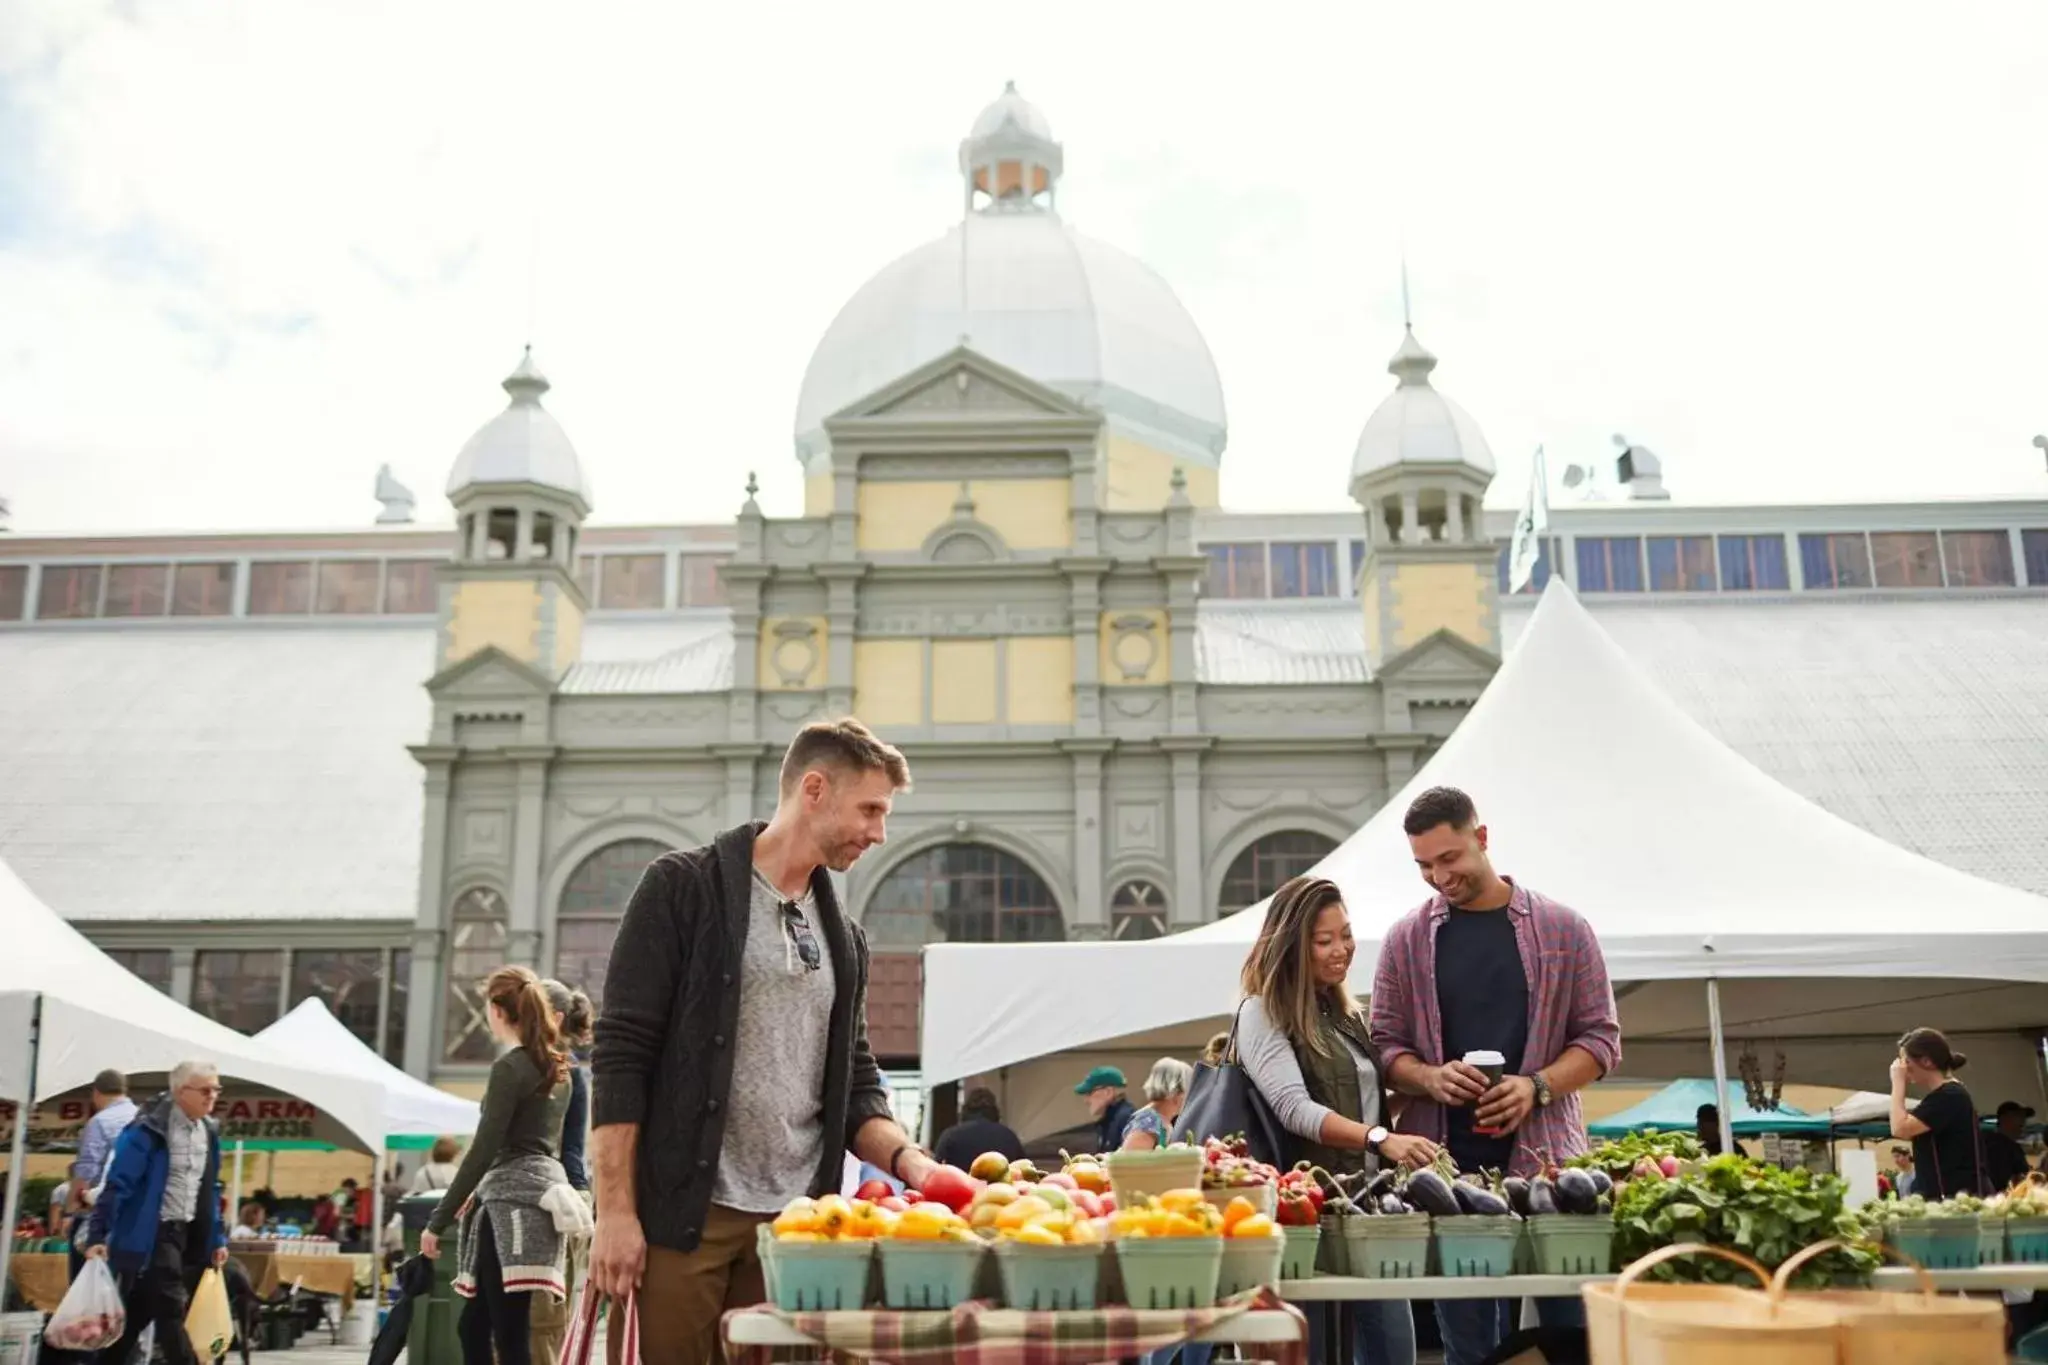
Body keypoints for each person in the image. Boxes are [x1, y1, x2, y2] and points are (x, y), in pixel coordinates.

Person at [589, 717, 936, 1365]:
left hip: (801, 1225)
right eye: (870, 809)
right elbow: (620, 1054)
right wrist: (614, 1212)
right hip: (684, 1214)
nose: (878, 832)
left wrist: (917, 1163)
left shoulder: (847, 938)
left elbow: (857, 1083)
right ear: (813, 788)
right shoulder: (680, 888)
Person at [1371, 787, 1620, 1365]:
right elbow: (1385, 1048)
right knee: (1470, 1347)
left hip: (1554, 1171)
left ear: (1481, 839)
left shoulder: (1564, 928)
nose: (1438, 876)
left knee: (1568, 1336)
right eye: (1424, 866)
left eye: (1449, 858)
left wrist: (1536, 1087)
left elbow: (1602, 1040)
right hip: (1448, 1175)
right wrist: (1429, 1078)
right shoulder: (1406, 940)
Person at [1239, 875, 1434, 1365]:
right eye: (1324, 940)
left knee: (1395, 1350)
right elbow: (1294, 1109)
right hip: (1305, 1220)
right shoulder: (1262, 1013)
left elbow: (1363, 1105)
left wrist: (1423, 1090)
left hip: (1369, 1216)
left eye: (1345, 935)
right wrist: (1380, 1137)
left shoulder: (1345, 1015)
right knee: (1320, 1351)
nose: (1341, 949)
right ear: (1289, 946)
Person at [419, 966, 577, 1365]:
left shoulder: (509, 1069)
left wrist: (437, 1221)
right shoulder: (559, 1069)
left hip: (508, 1206)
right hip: (540, 1201)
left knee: (501, 1331)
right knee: (491, 1325)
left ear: (497, 1009)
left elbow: (484, 1149)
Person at [83, 1060, 231, 1365]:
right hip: (154, 1232)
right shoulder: (148, 1128)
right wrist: (97, 1233)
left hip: (187, 1234)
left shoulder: (208, 1131)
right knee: (171, 1307)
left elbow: (210, 1189)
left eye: (216, 1089)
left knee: (140, 1311)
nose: (212, 1096)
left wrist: (217, 1238)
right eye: (205, 1089)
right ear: (180, 1090)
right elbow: (119, 1183)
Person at [531, 979, 596, 1365]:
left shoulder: (559, 1070)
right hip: (566, 1194)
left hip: (554, 1198)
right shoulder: (560, 1068)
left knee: (543, 1316)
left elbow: (565, 1147)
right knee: (546, 1313)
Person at [1889, 1027, 1985, 1199]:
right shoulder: (1945, 1095)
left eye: (1907, 1061)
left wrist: (1897, 1082)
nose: (1903, 1068)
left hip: (1954, 1199)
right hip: (1947, 1197)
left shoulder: (1950, 1096)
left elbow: (1899, 1128)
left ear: (1926, 1061)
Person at [931, 1088, 1025, 1171]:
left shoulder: (950, 1135)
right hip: (1002, 1189)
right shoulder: (1009, 1137)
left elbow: (936, 1170)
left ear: (965, 1110)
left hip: (962, 1189)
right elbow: (1023, 1168)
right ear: (995, 1111)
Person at [1120, 1059, 1195, 1151]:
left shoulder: (1164, 1121)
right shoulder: (1148, 1120)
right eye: (1189, 1091)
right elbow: (1131, 1160)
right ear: (1175, 1091)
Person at [1075, 1066, 1135, 1155]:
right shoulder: (1110, 1120)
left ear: (1108, 1092)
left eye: (1089, 1093)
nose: (1086, 1101)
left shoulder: (1125, 1119)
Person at [1986, 1101, 2035, 1193]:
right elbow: (2003, 1180)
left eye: (2024, 1117)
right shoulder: (1997, 1146)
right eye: (2018, 1116)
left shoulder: (2012, 1146)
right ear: (2004, 1119)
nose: (2023, 1121)